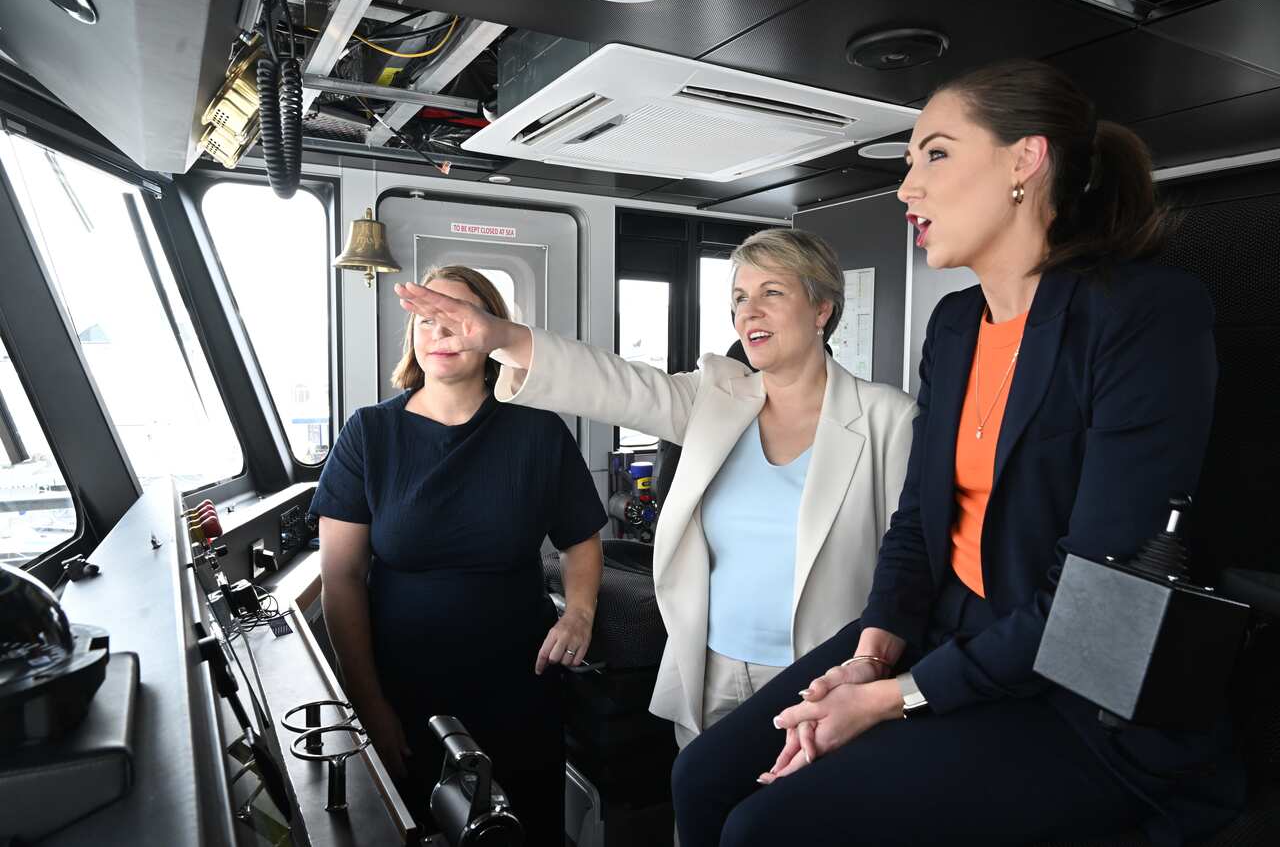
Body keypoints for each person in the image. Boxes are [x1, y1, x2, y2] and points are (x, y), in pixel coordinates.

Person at [667, 59, 1245, 847]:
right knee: (699, 775)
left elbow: (1097, 601)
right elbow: (916, 521)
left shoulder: (1143, 315)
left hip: (1073, 695)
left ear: (1024, 160)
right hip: (944, 634)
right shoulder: (954, 326)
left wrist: (887, 699)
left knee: (762, 828)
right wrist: (873, 652)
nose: (907, 187)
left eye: (934, 154)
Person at [394, 228, 917, 752]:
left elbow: (913, 563)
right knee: (700, 798)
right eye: (740, 298)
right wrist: (503, 337)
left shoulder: (888, 419)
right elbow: (613, 383)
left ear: (822, 308)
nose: (749, 312)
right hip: (712, 669)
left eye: (772, 292)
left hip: (824, 679)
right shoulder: (714, 397)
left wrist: (877, 667)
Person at [311, 265, 606, 845]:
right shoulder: (369, 433)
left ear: (491, 332)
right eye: (427, 319)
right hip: (405, 691)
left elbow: (581, 539)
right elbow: (340, 577)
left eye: (457, 317)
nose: (441, 331)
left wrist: (579, 613)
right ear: (412, 337)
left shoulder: (539, 433)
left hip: (520, 685)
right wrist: (368, 703)